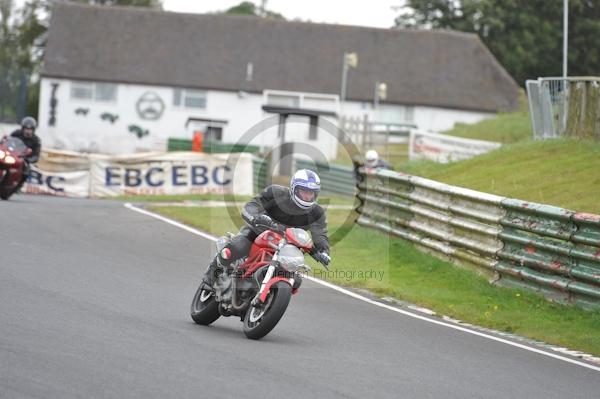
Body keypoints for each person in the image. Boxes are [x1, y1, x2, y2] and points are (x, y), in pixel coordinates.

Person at [201, 169, 331, 289]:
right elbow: (252, 206)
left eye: (311, 193)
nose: (308, 196)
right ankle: (211, 275)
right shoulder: (276, 193)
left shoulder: (316, 212)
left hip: (288, 248)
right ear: (294, 189)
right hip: (258, 233)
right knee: (234, 249)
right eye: (304, 191)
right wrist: (256, 218)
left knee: (296, 280)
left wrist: (323, 251)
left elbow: (320, 234)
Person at [9, 116, 41, 193]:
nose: (28, 131)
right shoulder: (16, 133)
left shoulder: (36, 140)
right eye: (26, 129)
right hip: (12, 154)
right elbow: (7, 141)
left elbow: (36, 155)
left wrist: (28, 160)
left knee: (26, 171)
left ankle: (18, 186)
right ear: (23, 128)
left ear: (33, 130)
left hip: (23, 160)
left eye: (30, 129)